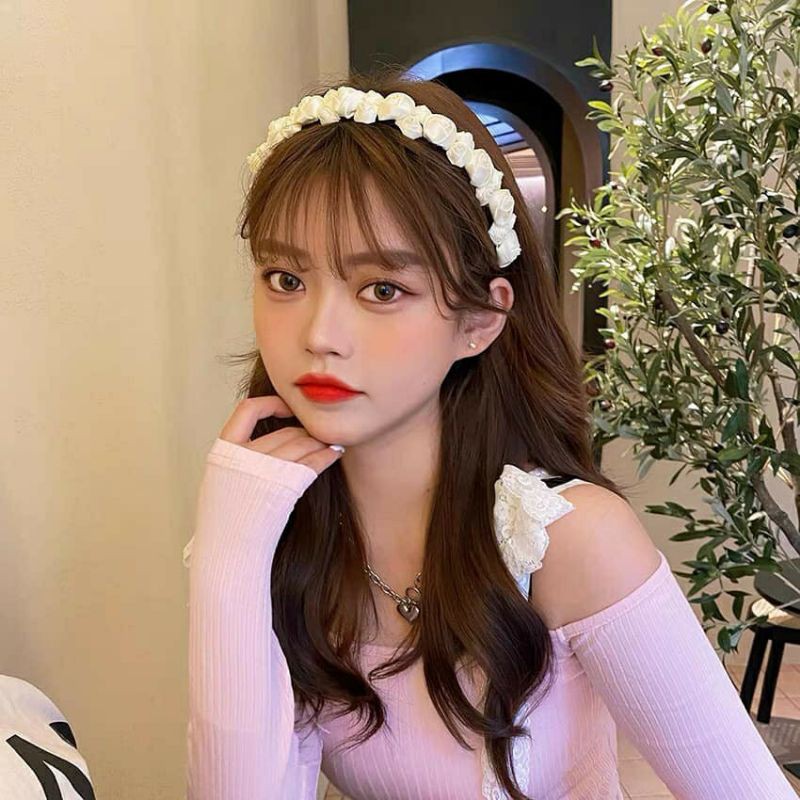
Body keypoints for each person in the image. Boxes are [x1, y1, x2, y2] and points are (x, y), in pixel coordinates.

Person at [183, 67, 797, 799]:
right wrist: (229, 555)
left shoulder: (570, 540)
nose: (319, 335)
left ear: (480, 319)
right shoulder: (276, 525)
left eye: (383, 289)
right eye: (286, 278)